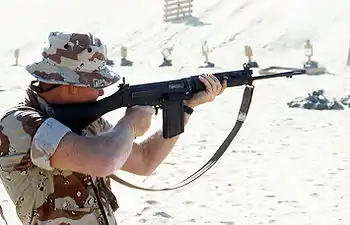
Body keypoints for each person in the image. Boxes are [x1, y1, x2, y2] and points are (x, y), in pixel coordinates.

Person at [0, 31, 227, 225]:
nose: (101, 92)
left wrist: (186, 107)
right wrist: (129, 124)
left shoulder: (89, 122)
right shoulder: (19, 125)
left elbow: (145, 161)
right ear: (70, 84)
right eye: (96, 84)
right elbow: (106, 160)